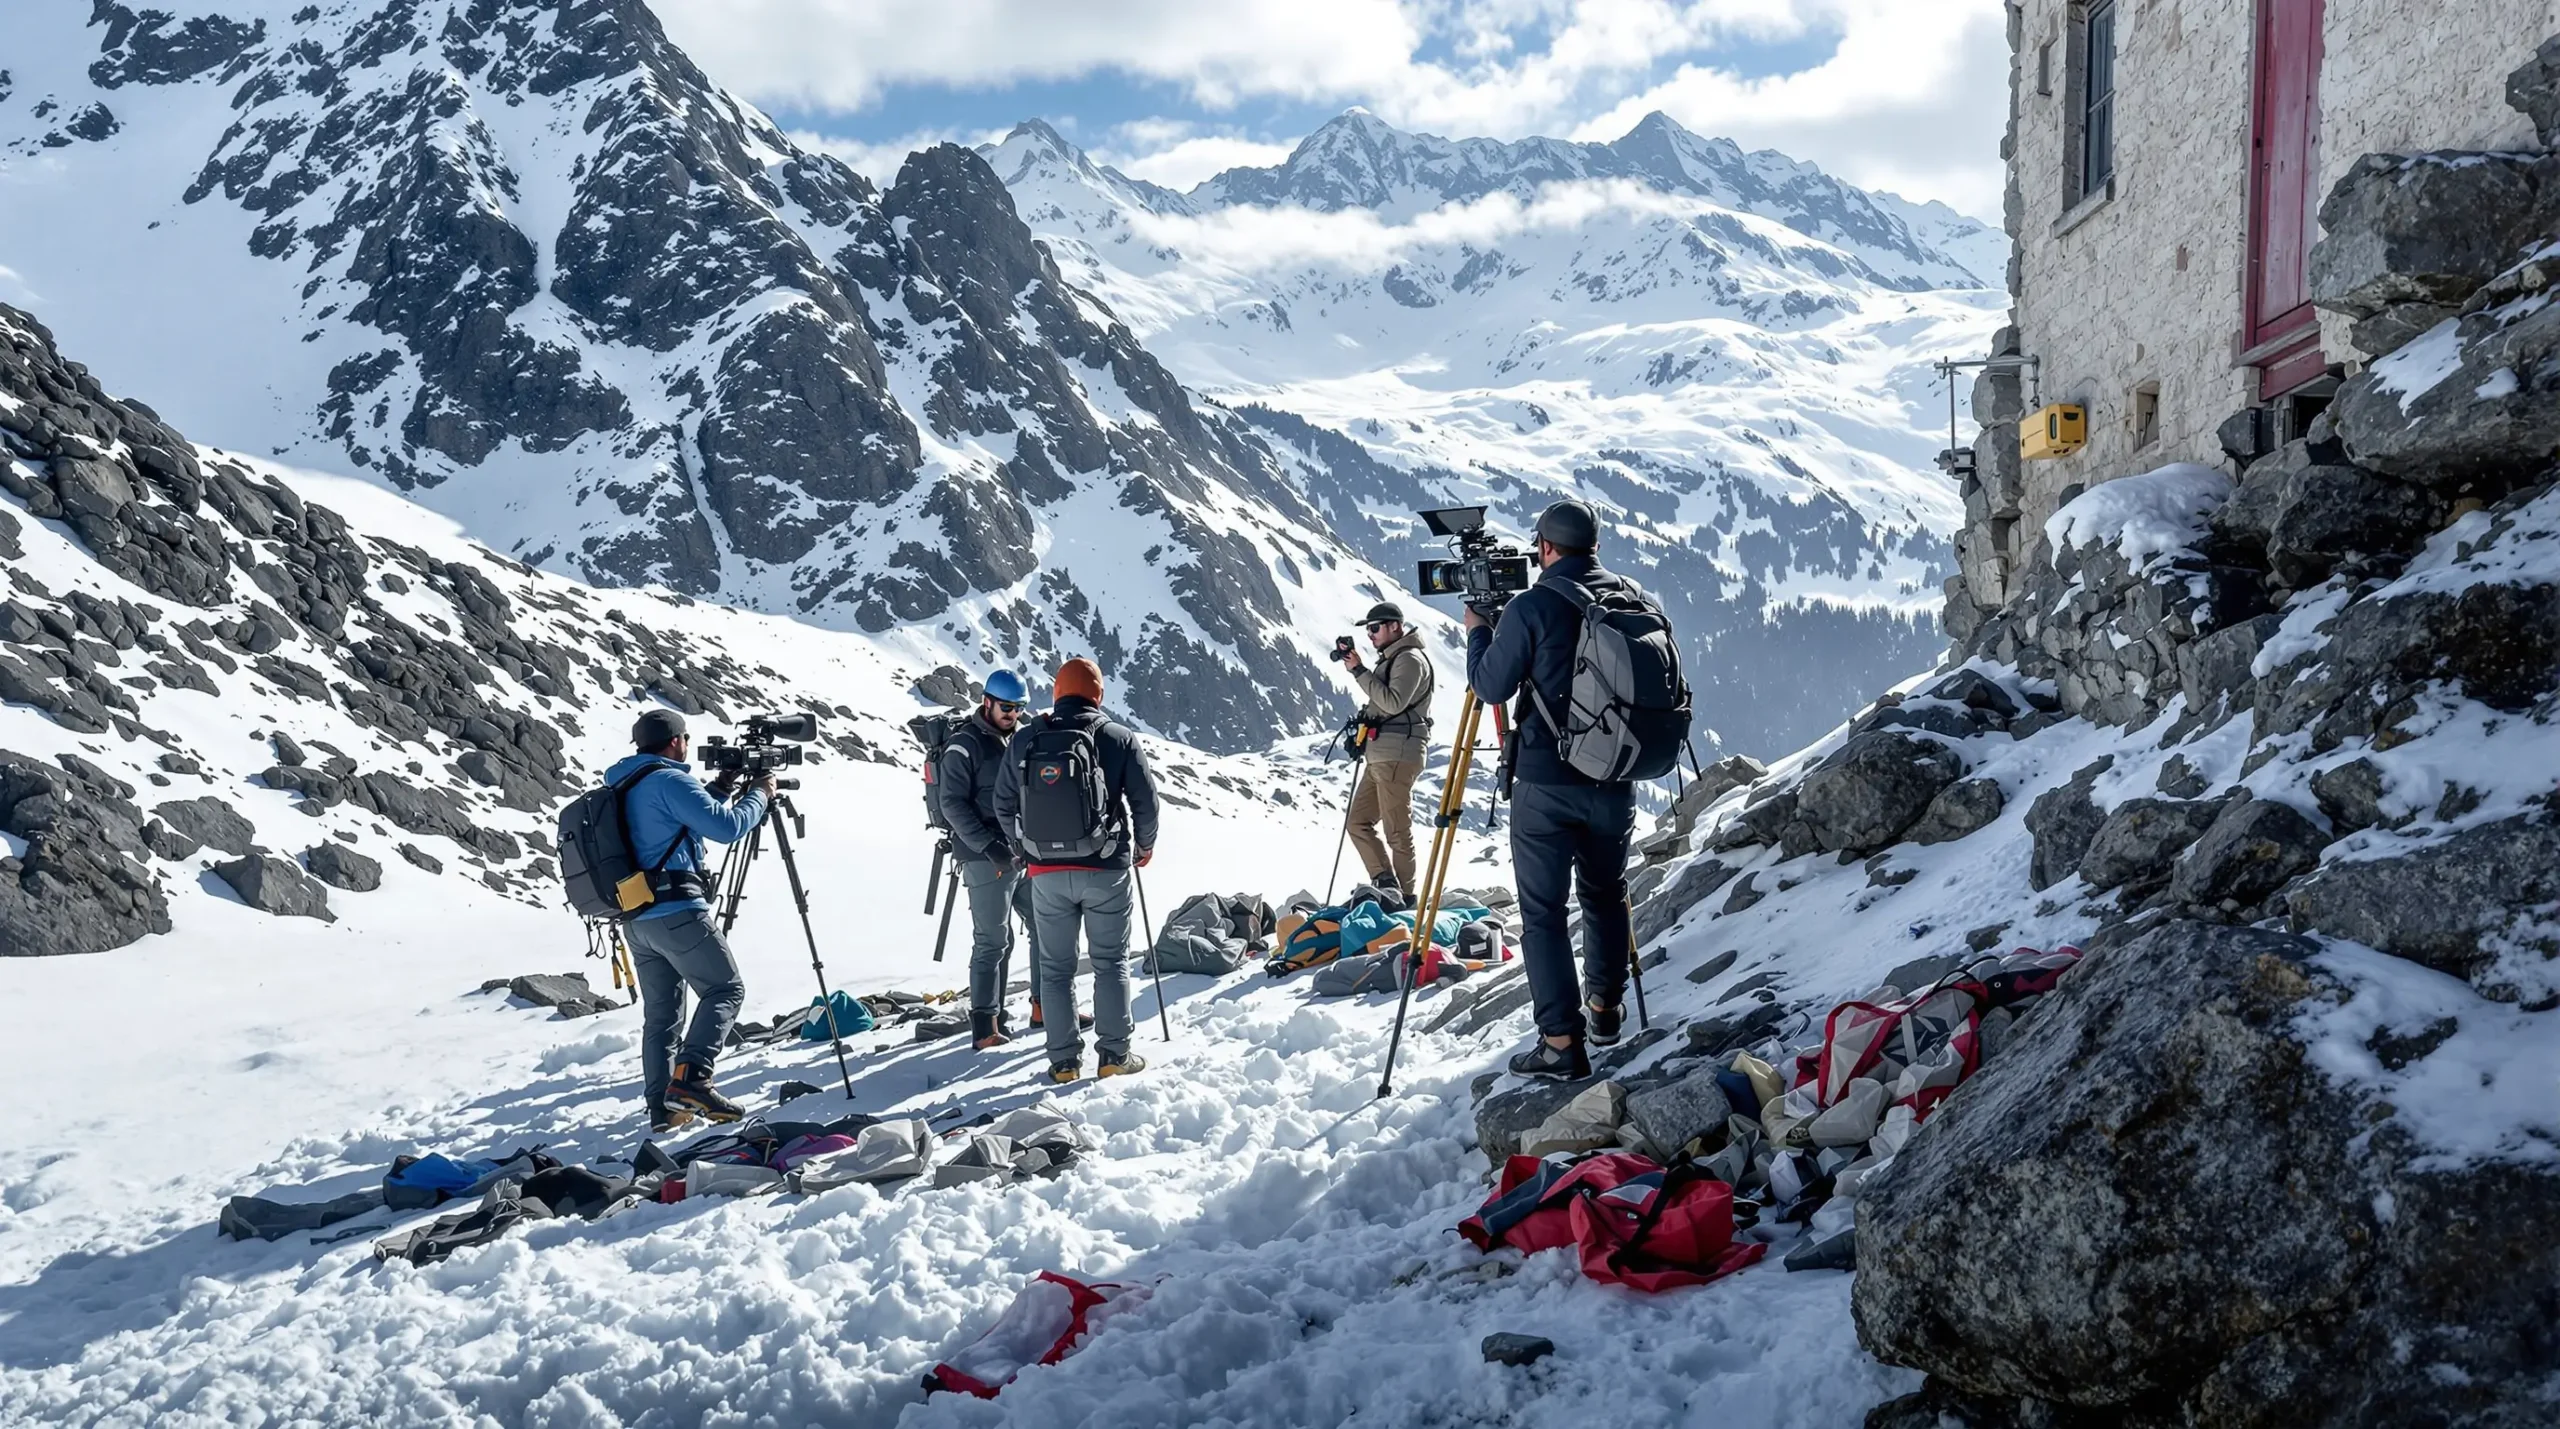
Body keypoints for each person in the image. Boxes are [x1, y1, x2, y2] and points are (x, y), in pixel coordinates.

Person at [1463, 499, 1640, 1081]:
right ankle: (1607, 1012)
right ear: (1594, 546)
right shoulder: (1630, 598)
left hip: (1547, 781)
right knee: (1606, 894)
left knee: (1543, 913)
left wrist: (1477, 635)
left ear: (1545, 547)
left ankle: (1561, 1044)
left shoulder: (1532, 605)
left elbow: (1492, 685)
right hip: (1616, 778)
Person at [993, 657, 1161, 1085]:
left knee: (1056, 969)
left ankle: (1064, 1062)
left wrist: (1025, 848)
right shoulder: (1118, 737)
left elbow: (1003, 802)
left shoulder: (1027, 738)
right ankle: (1114, 1055)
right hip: (1106, 867)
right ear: (1098, 694)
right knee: (1110, 963)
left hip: (1046, 873)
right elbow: (1145, 802)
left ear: (1056, 693)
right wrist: (1144, 845)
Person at [604, 709, 774, 1129]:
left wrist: (719, 787)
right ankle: (693, 1078)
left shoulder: (625, 784)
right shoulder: (668, 779)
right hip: (677, 912)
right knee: (725, 988)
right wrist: (761, 794)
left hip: (638, 918)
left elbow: (676, 825)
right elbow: (728, 827)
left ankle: (663, 1108)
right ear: (676, 741)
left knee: (662, 1015)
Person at [935, 669, 1038, 1050]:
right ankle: (984, 1026)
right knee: (993, 940)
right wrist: (988, 846)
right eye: (1008, 707)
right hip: (985, 857)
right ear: (988, 702)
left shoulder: (1016, 738)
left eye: (1020, 708)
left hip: (1020, 851)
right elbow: (952, 805)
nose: (1014, 714)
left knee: (1045, 925)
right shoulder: (966, 744)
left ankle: (1045, 1007)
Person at [1337, 600, 1435, 894]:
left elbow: (1393, 702)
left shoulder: (1409, 659)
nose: (1371, 634)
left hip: (1398, 753)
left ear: (1395, 626)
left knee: (1397, 832)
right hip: (1382, 754)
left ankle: (1405, 897)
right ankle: (1386, 883)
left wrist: (1359, 671)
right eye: (1369, 629)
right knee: (1358, 822)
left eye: (1375, 628)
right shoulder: (1395, 658)